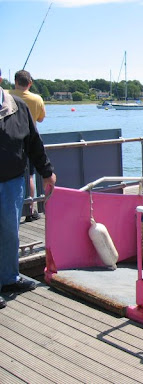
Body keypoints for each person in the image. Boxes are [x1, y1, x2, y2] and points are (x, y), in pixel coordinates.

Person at [0, 68, 56, 309]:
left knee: (10, 232)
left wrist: (46, 171)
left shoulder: (18, 106)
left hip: (12, 181)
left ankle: (9, 278)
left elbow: (33, 142)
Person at [9, 70, 46, 222]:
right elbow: (41, 119)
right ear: (30, 83)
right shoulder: (37, 99)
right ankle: (30, 210)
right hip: (30, 142)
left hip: (10, 143)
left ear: (15, 81)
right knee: (29, 176)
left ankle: (13, 210)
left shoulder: (7, 95)